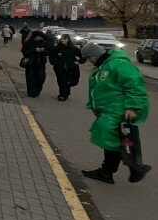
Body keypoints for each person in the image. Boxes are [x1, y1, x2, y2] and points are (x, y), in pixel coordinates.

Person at [80, 42, 151, 183]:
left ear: (94, 55)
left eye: (89, 58)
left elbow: (135, 86)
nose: (89, 61)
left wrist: (132, 107)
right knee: (115, 139)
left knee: (111, 139)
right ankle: (130, 169)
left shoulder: (117, 64)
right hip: (111, 108)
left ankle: (115, 170)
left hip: (118, 109)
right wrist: (95, 107)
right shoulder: (105, 65)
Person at [50, 33, 83, 101]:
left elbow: (83, 56)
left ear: (68, 39)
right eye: (62, 39)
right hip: (59, 68)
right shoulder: (57, 48)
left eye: (64, 39)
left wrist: (79, 62)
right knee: (61, 81)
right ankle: (62, 95)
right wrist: (54, 62)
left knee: (70, 81)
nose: (63, 40)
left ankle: (66, 92)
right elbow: (52, 56)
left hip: (71, 68)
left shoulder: (73, 48)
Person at [21, 30, 48, 97]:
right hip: (30, 64)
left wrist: (44, 50)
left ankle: (37, 90)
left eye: (40, 37)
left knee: (41, 78)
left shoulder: (44, 43)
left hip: (41, 64)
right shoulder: (28, 43)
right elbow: (25, 53)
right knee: (30, 78)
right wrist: (34, 50)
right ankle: (31, 92)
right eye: (37, 37)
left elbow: (50, 52)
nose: (38, 39)